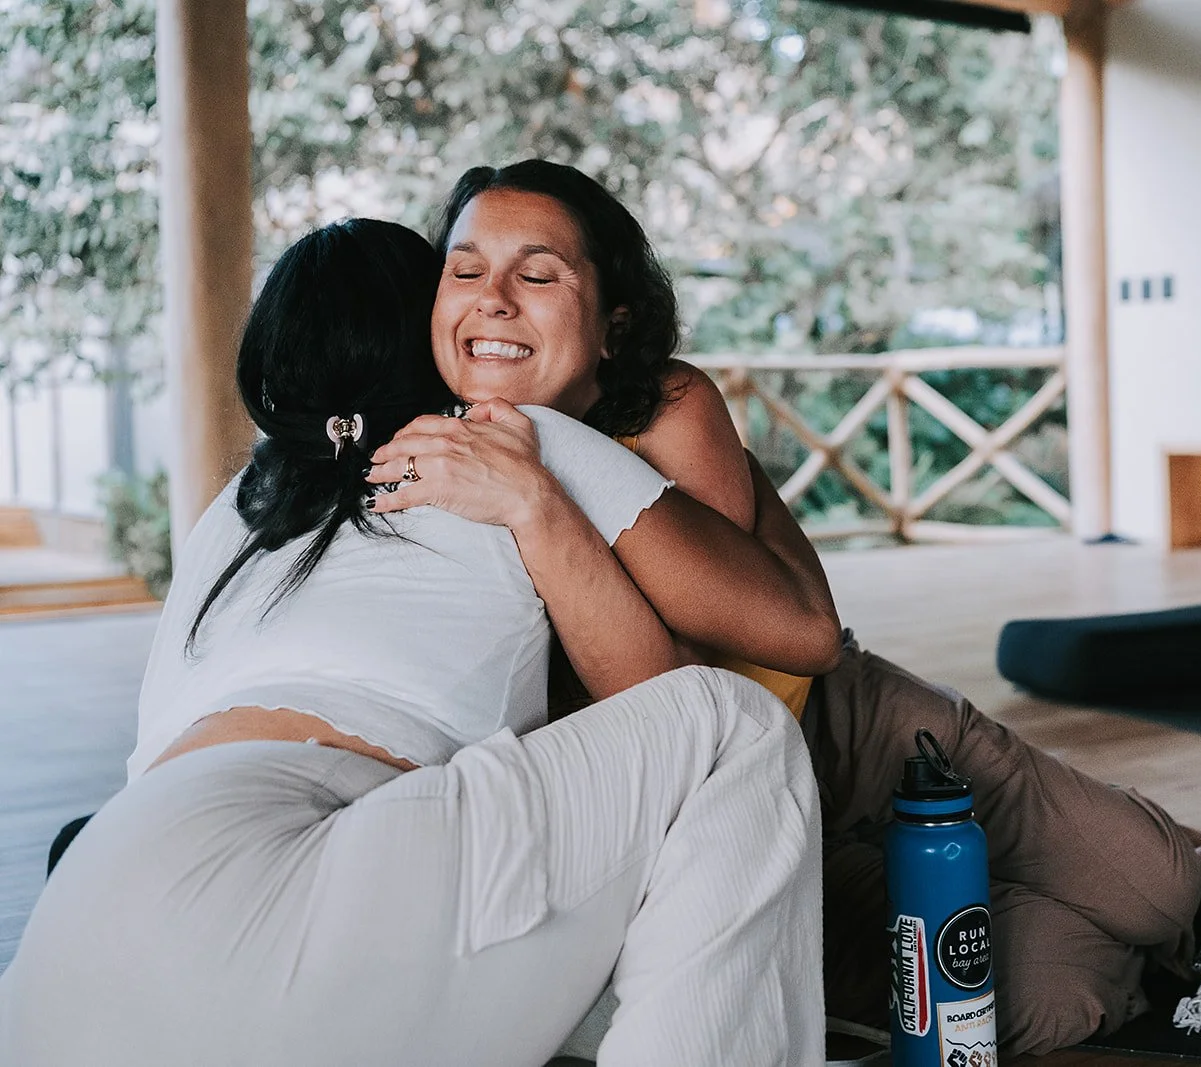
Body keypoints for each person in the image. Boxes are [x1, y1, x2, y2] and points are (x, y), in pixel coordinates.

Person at [376, 159, 1201, 1057]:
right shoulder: (429, 469)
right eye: (465, 270)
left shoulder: (668, 404)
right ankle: (1112, 922)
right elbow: (678, 721)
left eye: (538, 273)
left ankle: (1165, 866)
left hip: (842, 717)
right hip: (729, 831)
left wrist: (556, 483)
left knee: (1159, 888)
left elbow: (766, 640)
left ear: (612, 321)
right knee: (1055, 987)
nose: (493, 298)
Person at [0, 218, 826, 1067]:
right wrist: (552, 499)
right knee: (732, 726)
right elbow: (693, 677)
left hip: (72, 939)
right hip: (294, 892)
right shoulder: (506, 436)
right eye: (458, 278)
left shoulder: (241, 502)